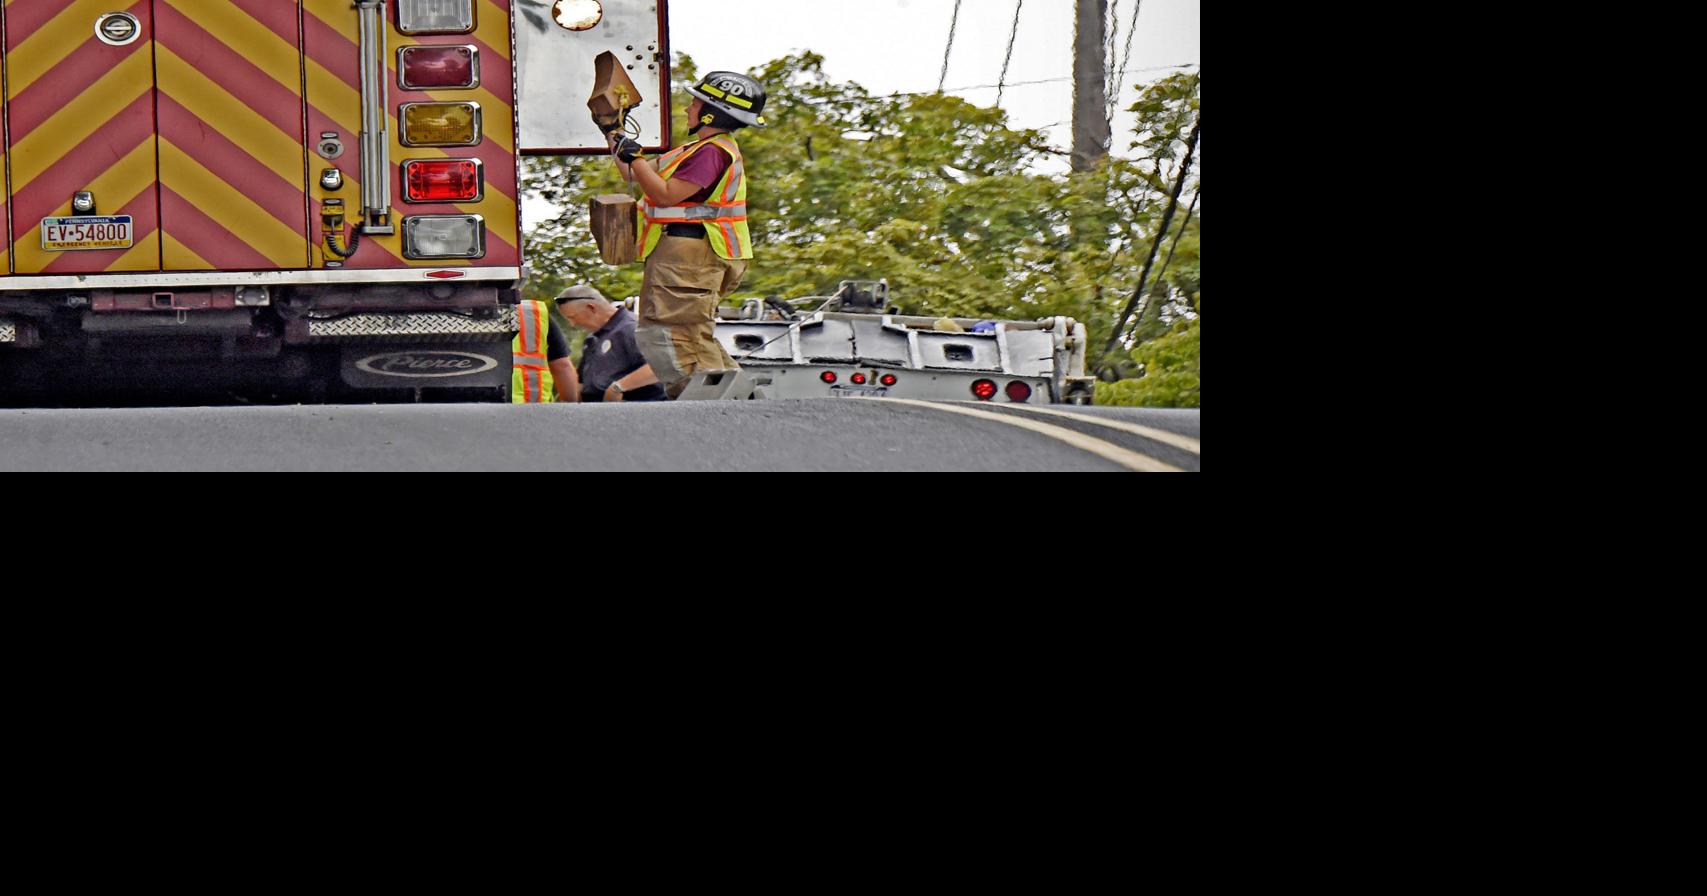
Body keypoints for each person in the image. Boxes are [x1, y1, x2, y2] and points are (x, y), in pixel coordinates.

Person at [609, 71, 767, 398]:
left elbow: (667, 194)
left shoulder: (713, 152)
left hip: (692, 255)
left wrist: (635, 157)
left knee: (677, 337)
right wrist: (612, 130)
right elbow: (630, 170)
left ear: (711, 114)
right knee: (683, 336)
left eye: (695, 104)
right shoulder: (696, 150)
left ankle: (711, 408)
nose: (687, 109)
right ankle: (741, 406)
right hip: (684, 255)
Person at [555, 285, 666, 403]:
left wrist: (618, 388)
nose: (573, 324)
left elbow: (660, 366)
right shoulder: (592, 339)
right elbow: (580, 382)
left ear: (591, 308)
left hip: (635, 410)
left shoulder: (632, 328)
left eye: (572, 317)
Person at [511, 298, 578, 403]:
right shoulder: (533, 313)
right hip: (530, 410)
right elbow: (561, 366)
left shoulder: (475, 314)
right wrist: (571, 408)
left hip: (476, 411)